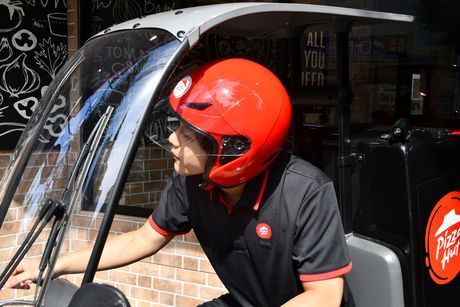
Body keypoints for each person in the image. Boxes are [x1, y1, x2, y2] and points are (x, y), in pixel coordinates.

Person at [7, 58, 352, 306]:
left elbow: (324, 295)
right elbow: (144, 239)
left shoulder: (306, 191)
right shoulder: (193, 183)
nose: (173, 140)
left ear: (232, 149)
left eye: (188, 134)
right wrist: (55, 265)